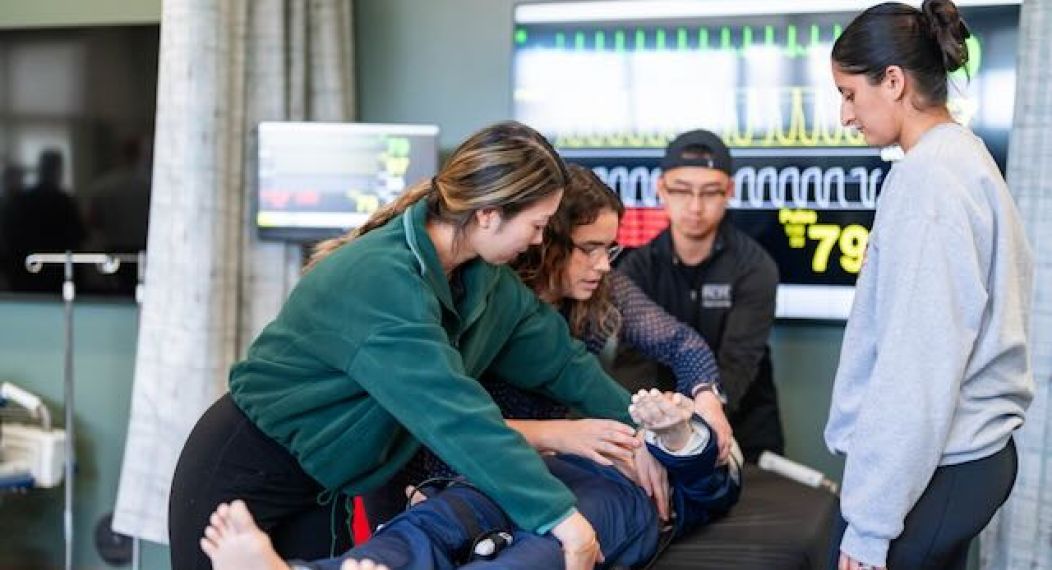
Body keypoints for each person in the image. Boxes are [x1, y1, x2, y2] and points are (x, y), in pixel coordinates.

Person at [168, 121, 646, 570]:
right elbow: (452, 413)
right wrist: (560, 516)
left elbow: (563, 363)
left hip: (323, 484)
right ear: (488, 213)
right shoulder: (381, 278)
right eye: (538, 224)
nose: (541, 240)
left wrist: (644, 433)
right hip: (244, 472)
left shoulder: (487, 283)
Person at [824, 2, 1033, 569]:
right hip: (969, 458)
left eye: (849, 92)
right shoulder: (964, 157)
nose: (846, 114)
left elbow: (917, 367)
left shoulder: (929, 183)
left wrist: (868, 530)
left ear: (893, 81)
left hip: (945, 460)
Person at [197, 388, 739, 570]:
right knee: (432, 523)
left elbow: (711, 484)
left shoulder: (690, 452)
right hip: (526, 476)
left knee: (536, 556)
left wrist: (677, 436)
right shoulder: (601, 408)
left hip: (616, 502)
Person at [612, 128, 783, 462]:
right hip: (655, 428)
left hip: (742, 427)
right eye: (681, 190)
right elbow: (632, 366)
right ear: (661, 189)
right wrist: (659, 424)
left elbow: (738, 362)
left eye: (709, 192)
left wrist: (698, 416)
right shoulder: (635, 269)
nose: (695, 206)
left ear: (728, 192)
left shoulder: (756, 267)